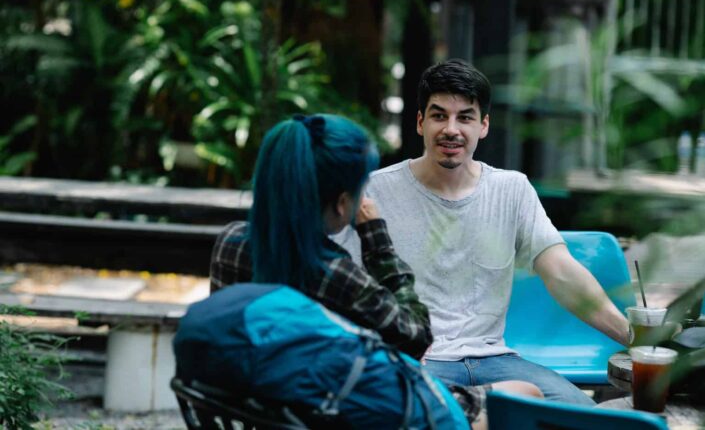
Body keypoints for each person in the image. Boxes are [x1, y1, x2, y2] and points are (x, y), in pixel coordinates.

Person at [209, 113, 542, 429]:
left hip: (274, 409)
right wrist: (377, 240)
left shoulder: (231, 243)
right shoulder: (332, 273)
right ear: (342, 203)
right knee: (525, 394)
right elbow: (416, 337)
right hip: (351, 413)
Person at [335, 59, 630, 406]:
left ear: (484, 125)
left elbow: (563, 273)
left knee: (582, 414)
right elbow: (342, 285)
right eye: (439, 115)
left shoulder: (512, 189)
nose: (451, 129)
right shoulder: (374, 192)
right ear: (420, 122)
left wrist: (634, 338)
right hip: (417, 361)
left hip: (496, 360)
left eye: (465, 117)